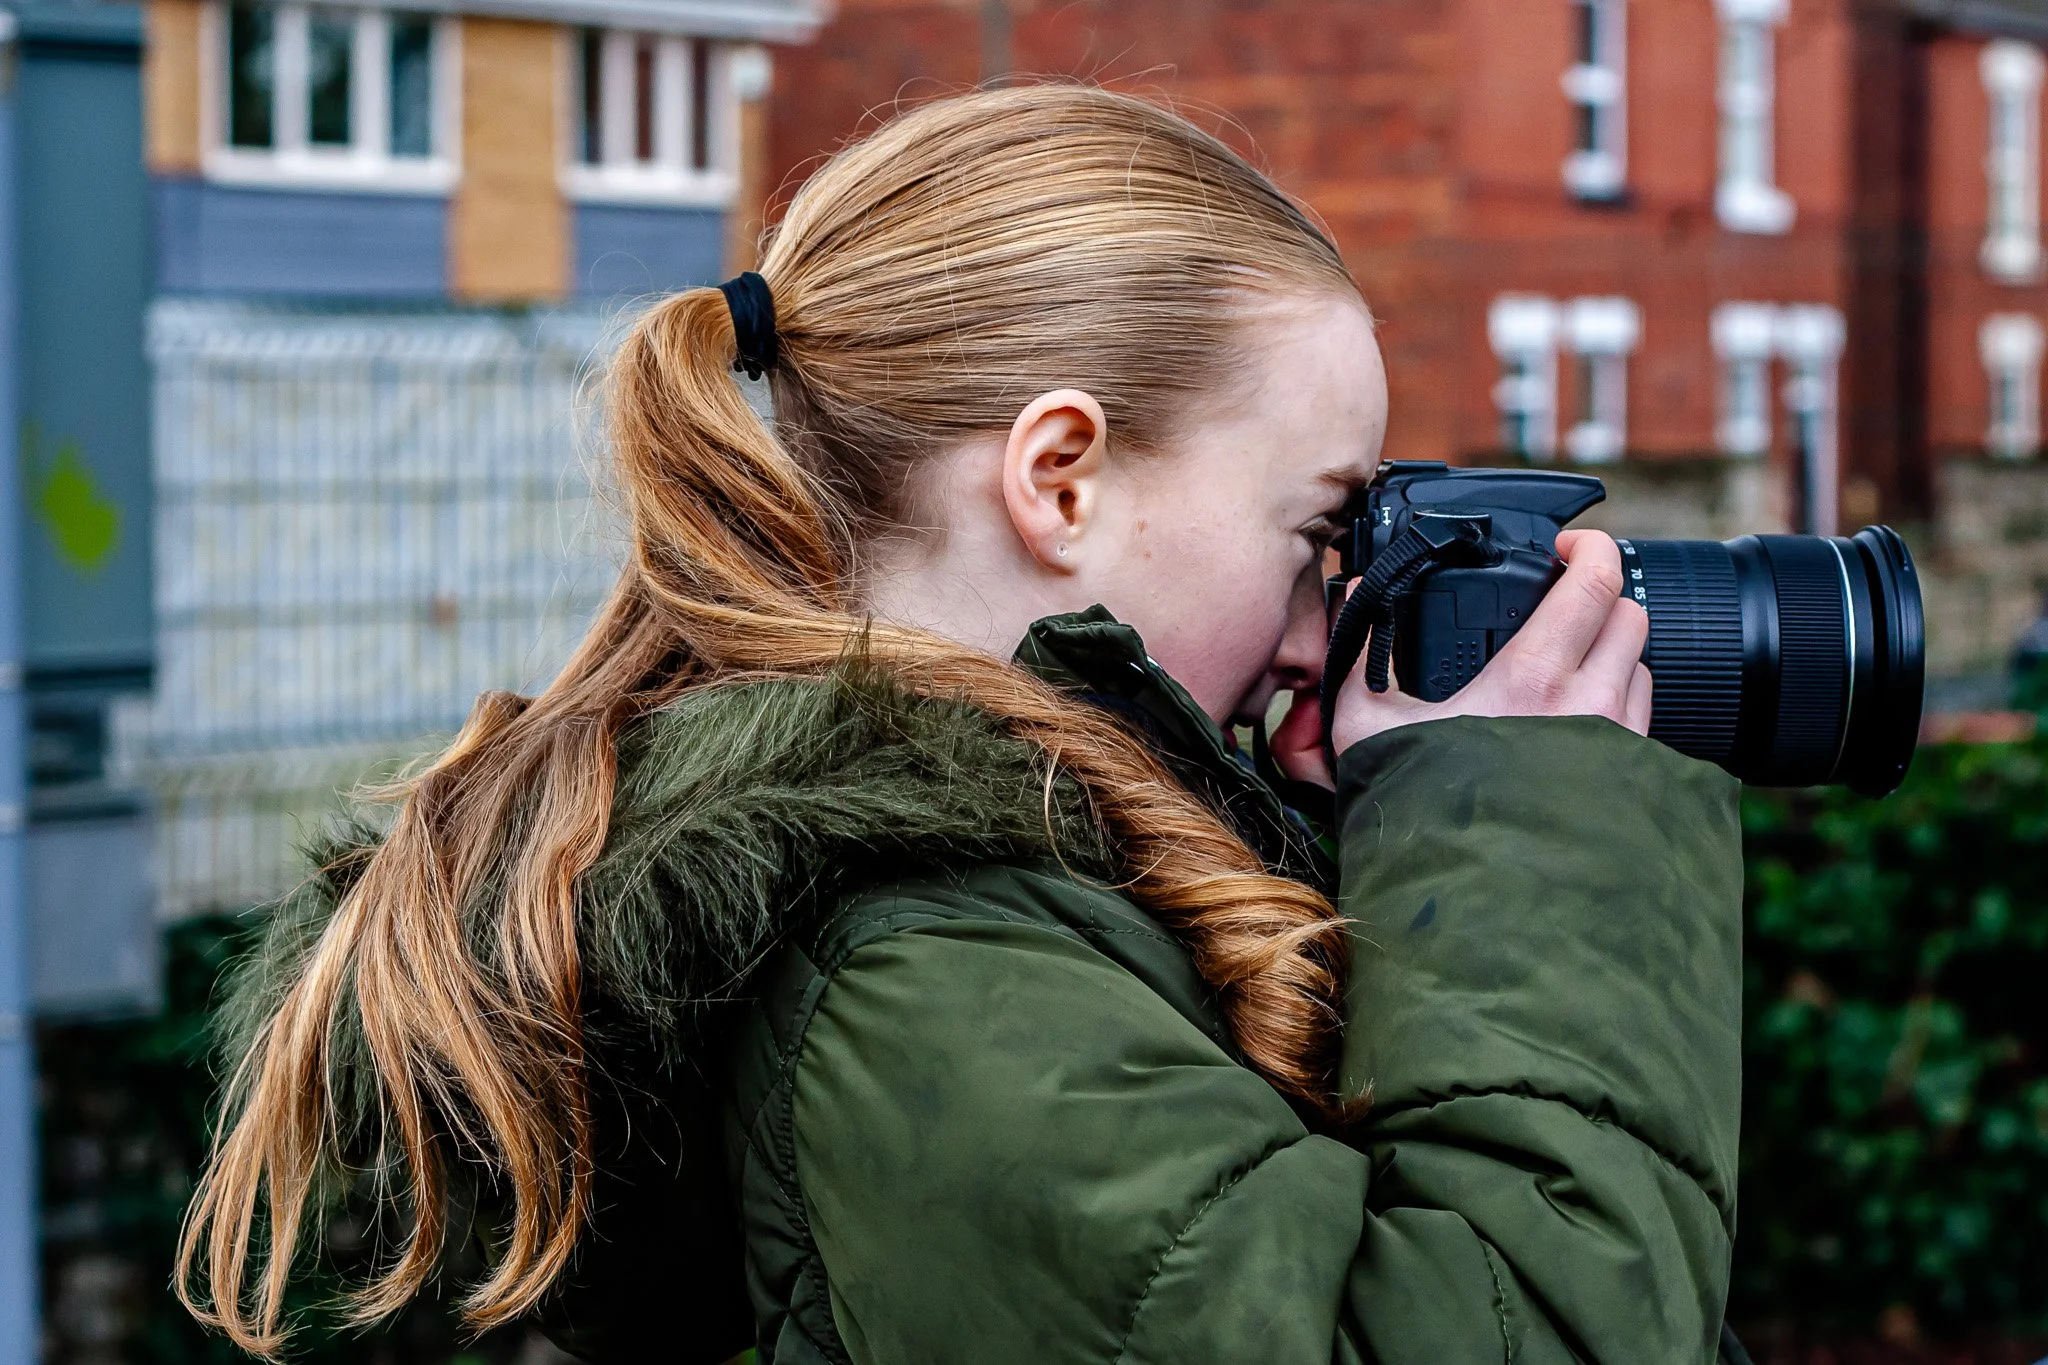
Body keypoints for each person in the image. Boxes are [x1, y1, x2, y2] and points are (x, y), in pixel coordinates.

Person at [178, 85, 1744, 1364]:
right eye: (1315, 532)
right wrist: (1522, 819)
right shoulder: (917, 959)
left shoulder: (992, 894)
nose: (1320, 624)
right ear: (1060, 477)